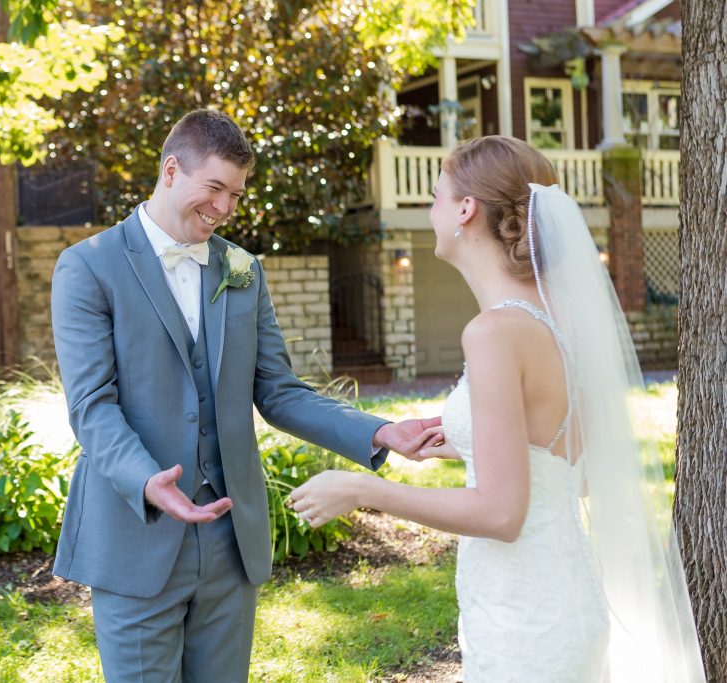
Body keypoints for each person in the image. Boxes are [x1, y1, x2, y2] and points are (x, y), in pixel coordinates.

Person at [290, 136, 705, 682]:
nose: (431, 210)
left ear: (465, 210)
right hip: (561, 596)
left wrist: (363, 490)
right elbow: (569, 469)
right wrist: (466, 442)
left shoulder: (493, 333)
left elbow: (502, 515)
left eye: (436, 196)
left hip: (524, 618)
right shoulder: (561, 320)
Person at [50, 109, 438, 683]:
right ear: (171, 170)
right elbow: (92, 405)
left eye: (236, 194)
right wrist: (145, 478)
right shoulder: (88, 267)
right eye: (215, 189)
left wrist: (378, 431)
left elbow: (278, 392)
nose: (225, 208)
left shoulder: (243, 270)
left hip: (231, 544)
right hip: (137, 536)